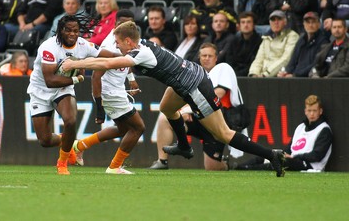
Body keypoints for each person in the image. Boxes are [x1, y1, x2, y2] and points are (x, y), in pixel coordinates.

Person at [62, 21, 286, 177]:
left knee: (223, 133)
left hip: (195, 86)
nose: (117, 46)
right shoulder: (144, 45)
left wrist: (75, 64)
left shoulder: (140, 54)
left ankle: (271, 155)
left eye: (119, 43)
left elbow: (107, 64)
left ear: (129, 41)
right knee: (166, 108)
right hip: (185, 80)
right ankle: (183, 146)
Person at [27, 14, 116, 175]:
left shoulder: (83, 45)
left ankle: (62, 163)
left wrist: (128, 57)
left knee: (70, 120)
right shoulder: (48, 47)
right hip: (41, 90)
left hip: (64, 89)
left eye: (76, 31)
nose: (73, 34)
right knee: (45, 140)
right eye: (68, 30)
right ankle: (67, 141)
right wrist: (78, 78)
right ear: (61, 30)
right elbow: (50, 80)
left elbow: (105, 54)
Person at [150, 43, 247, 170]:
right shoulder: (194, 73)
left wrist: (188, 110)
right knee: (164, 118)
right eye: (204, 56)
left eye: (210, 56)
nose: (206, 58)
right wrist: (184, 111)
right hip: (198, 117)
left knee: (212, 167)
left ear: (216, 58)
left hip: (217, 120)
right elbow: (183, 97)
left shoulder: (223, 68)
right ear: (199, 58)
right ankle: (162, 161)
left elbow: (218, 94)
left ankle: (227, 165)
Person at [72, 9, 146, 174]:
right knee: (138, 128)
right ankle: (114, 167)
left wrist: (131, 78)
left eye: (129, 23)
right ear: (115, 23)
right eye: (121, 23)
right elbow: (96, 76)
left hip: (117, 90)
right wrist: (99, 106)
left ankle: (80, 145)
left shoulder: (127, 41)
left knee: (123, 129)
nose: (124, 26)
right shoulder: (109, 45)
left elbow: (128, 59)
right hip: (110, 92)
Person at [237, 95, 332, 172]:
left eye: (314, 111)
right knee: (269, 154)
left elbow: (317, 155)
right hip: (293, 158)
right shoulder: (301, 127)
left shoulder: (324, 130)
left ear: (320, 111)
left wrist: (294, 156)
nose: (311, 114)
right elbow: (290, 147)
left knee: (282, 162)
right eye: (309, 110)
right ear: (305, 111)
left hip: (308, 165)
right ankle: (239, 167)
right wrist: (284, 154)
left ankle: (248, 169)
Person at [248, 10, 300, 77]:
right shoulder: (266, 37)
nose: (276, 22)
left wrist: (266, 74)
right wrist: (253, 73)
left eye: (279, 19)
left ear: (285, 22)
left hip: (278, 77)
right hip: (262, 76)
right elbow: (259, 59)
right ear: (270, 23)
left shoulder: (292, 36)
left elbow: (286, 59)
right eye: (273, 20)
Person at [278, 12, 328, 78]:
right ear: (304, 24)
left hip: (309, 78)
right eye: (308, 22)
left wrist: (295, 75)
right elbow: (293, 61)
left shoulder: (323, 41)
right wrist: (286, 72)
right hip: (295, 76)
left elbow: (316, 64)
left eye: (313, 22)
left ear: (319, 24)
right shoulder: (301, 40)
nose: (310, 25)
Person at [225, 11, 262, 77]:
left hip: (250, 76)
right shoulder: (233, 41)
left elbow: (254, 63)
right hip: (233, 74)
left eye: (248, 22)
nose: (246, 25)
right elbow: (229, 60)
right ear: (239, 26)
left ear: (254, 25)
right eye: (243, 22)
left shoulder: (260, 41)